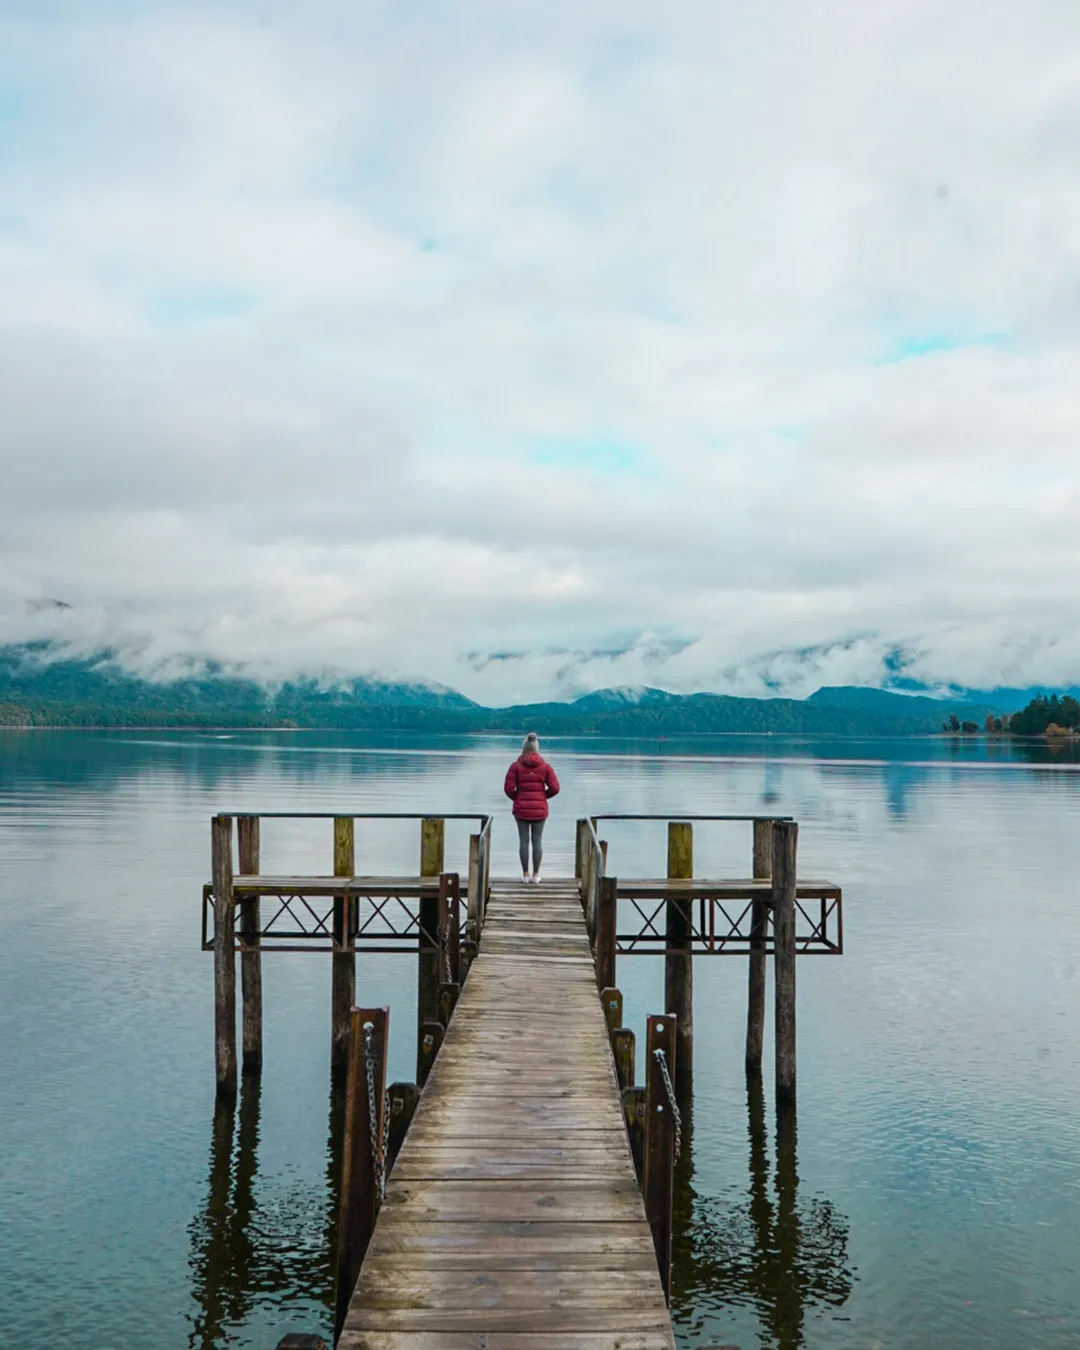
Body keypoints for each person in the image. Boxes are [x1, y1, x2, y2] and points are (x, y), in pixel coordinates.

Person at [503, 732, 560, 882]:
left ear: (523, 748)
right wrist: (542, 797)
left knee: (523, 841)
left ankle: (525, 874)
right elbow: (555, 788)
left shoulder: (515, 766)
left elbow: (508, 789)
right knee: (537, 841)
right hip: (540, 810)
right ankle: (536, 875)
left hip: (521, 809)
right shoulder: (546, 767)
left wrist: (519, 798)